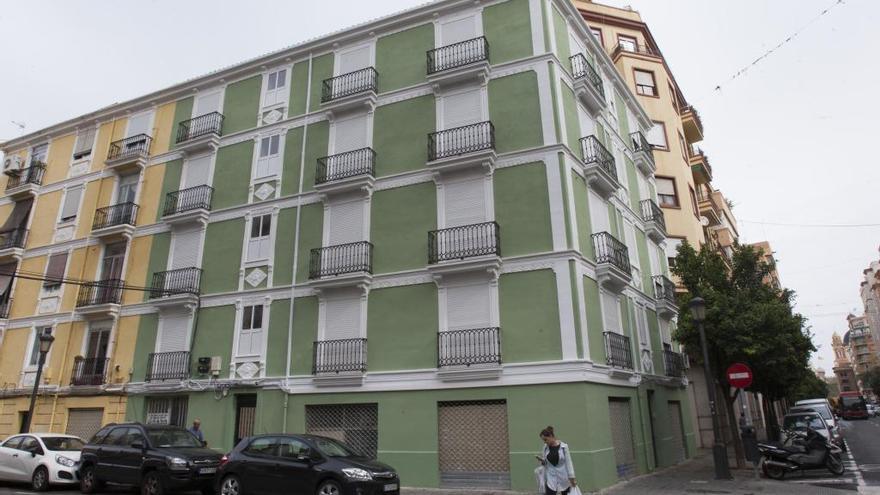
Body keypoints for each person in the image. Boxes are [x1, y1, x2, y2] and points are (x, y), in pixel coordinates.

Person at [537, 426, 577, 495]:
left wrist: (572, 478)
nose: (544, 442)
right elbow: (545, 463)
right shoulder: (545, 448)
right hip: (551, 477)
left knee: (566, 493)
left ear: (551, 436)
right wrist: (542, 461)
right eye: (543, 440)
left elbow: (569, 463)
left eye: (545, 439)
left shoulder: (564, 447)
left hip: (564, 478)